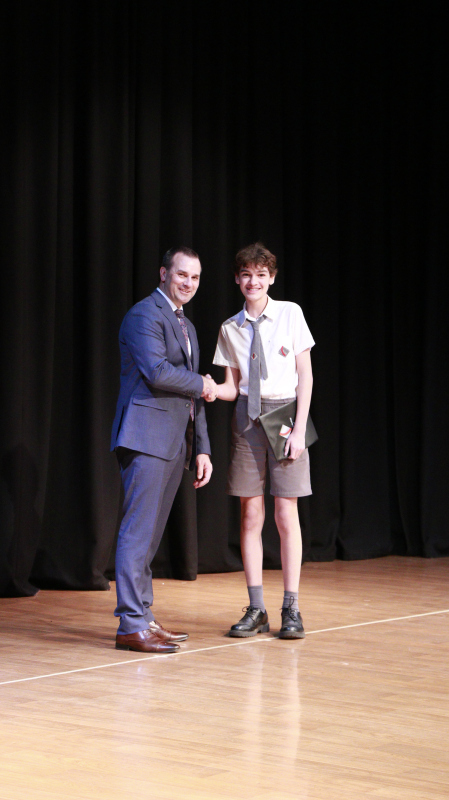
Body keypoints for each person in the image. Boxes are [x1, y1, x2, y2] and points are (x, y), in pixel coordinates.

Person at [110, 246, 217, 653]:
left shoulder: (186, 325)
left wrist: (202, 447)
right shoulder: (144, 315)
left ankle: (144, 617)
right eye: (182, 274)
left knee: (151, 536)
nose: (188, 283)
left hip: (174, 441)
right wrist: (205, 384)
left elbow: (191, 392)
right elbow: (157, 372)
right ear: (164, 273)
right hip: (145, 436)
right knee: (137, 532)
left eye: (195, 277)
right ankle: (130, 624)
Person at [212, 242, 314, 639]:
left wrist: (299, 429)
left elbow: (305, 375)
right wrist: (205, 387)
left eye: (260, 274)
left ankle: (292, 607)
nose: (253, 281)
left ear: (271, 277)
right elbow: (231, 385)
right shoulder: (230, 327)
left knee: (285, 512)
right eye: (246, 275)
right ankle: (256, 608)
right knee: (250, 514)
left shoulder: (290, 313)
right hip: (246, 417)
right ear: (237, 279)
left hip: (284, 412)